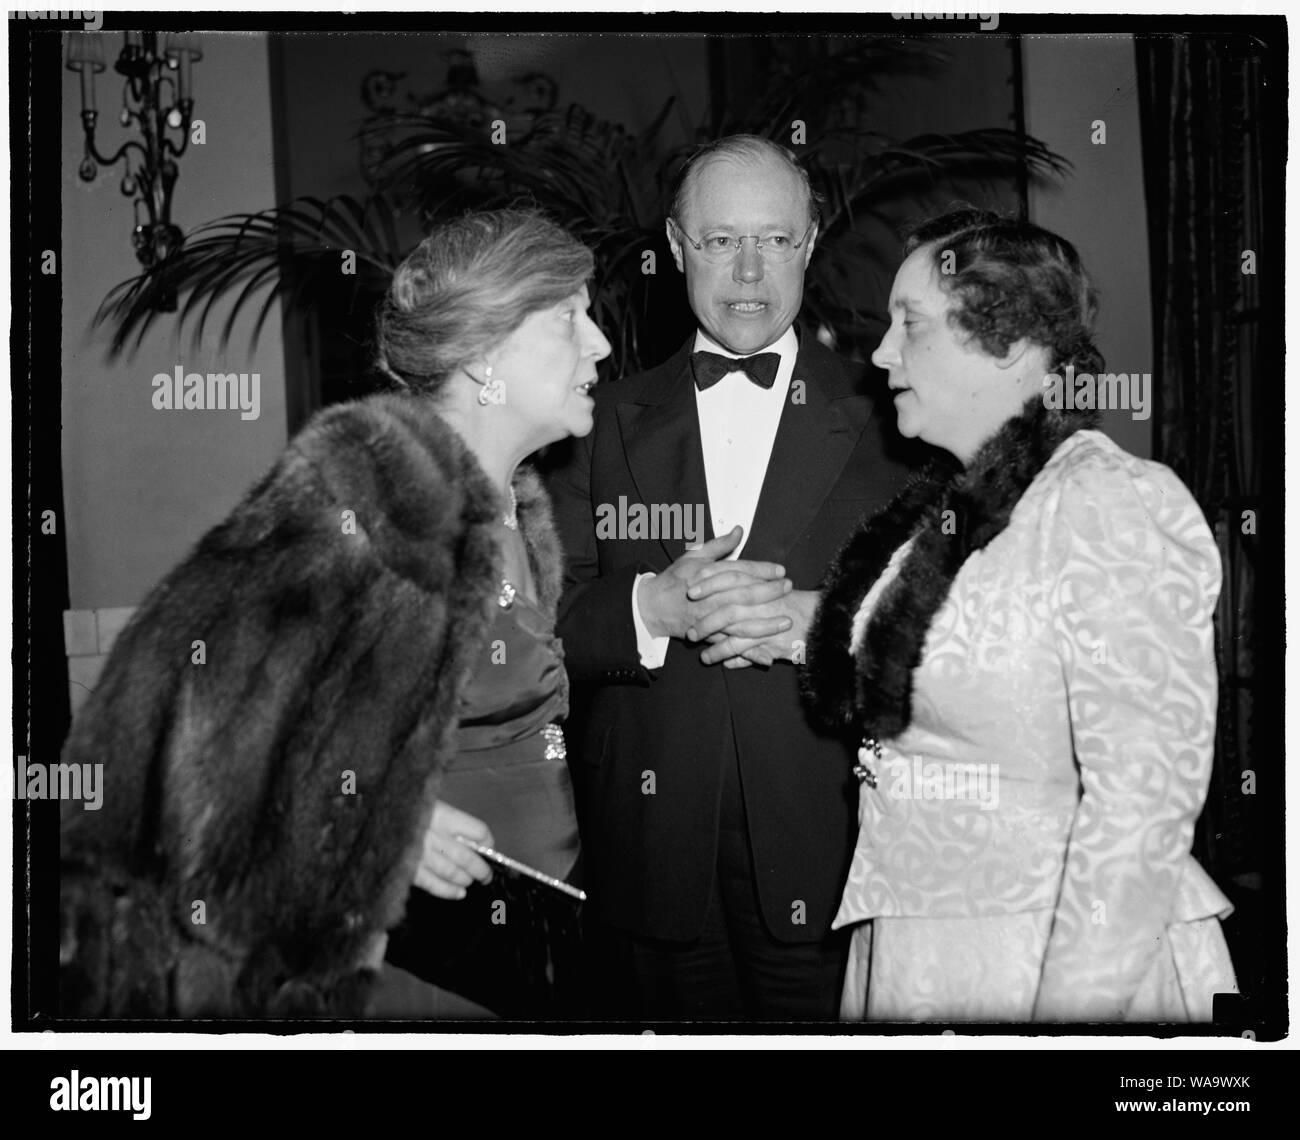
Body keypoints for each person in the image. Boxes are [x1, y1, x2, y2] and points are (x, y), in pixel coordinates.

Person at [58, 208, 611, 1019]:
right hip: (406, 971)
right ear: (486, 349)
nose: (599, 342)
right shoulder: (374, 493)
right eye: (570, 318)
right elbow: (172, 724)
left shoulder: (512, 510)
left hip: (522, 955)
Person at [801, 206, 1238, 1022]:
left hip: (1040, 953)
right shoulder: (956, 510)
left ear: (1005, 341)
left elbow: (1139, 807)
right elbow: (956, 645)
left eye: (910, 323)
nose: (884, 353)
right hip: (922, 936)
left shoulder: (1106, 502)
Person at [548, 135, 914, 1020]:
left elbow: (956, 625)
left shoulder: (898, 414)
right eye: (719, 242)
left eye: (775, 241)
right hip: (647, 847)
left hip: (834, 840)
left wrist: (814, 624)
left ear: (811, 241)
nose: (749, 272)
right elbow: (544, 626)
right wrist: (650, 608)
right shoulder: (593, 418)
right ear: (675, 248)